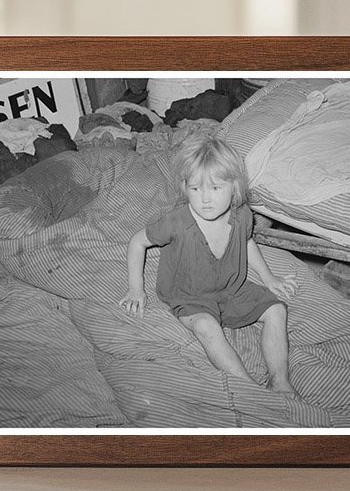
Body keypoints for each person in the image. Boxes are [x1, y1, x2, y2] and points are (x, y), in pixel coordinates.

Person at [120, 136, 300, 397]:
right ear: (184, 188)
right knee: (206, 326)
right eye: (195, 189)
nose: (205, 199)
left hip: (231, 288)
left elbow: (247, 241)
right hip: (189, 296)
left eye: (215, 188)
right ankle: (251, 392)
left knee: (276, 310)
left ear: (235, 187)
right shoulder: (175, 222)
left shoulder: (242, 215)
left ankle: (279, 380)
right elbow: (137, 242)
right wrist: (136, 289)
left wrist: (269, 278)